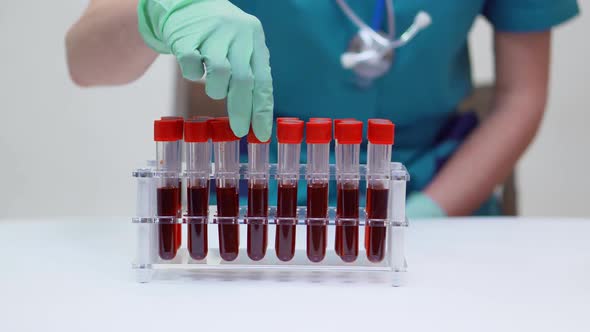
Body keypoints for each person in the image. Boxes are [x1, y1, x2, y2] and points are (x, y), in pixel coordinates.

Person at [65, 0, 579, 218]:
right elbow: (83, 61)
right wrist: (154, 11)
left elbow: (521, 95)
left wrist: (430, 212)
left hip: (435, 196)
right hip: (251, 212)